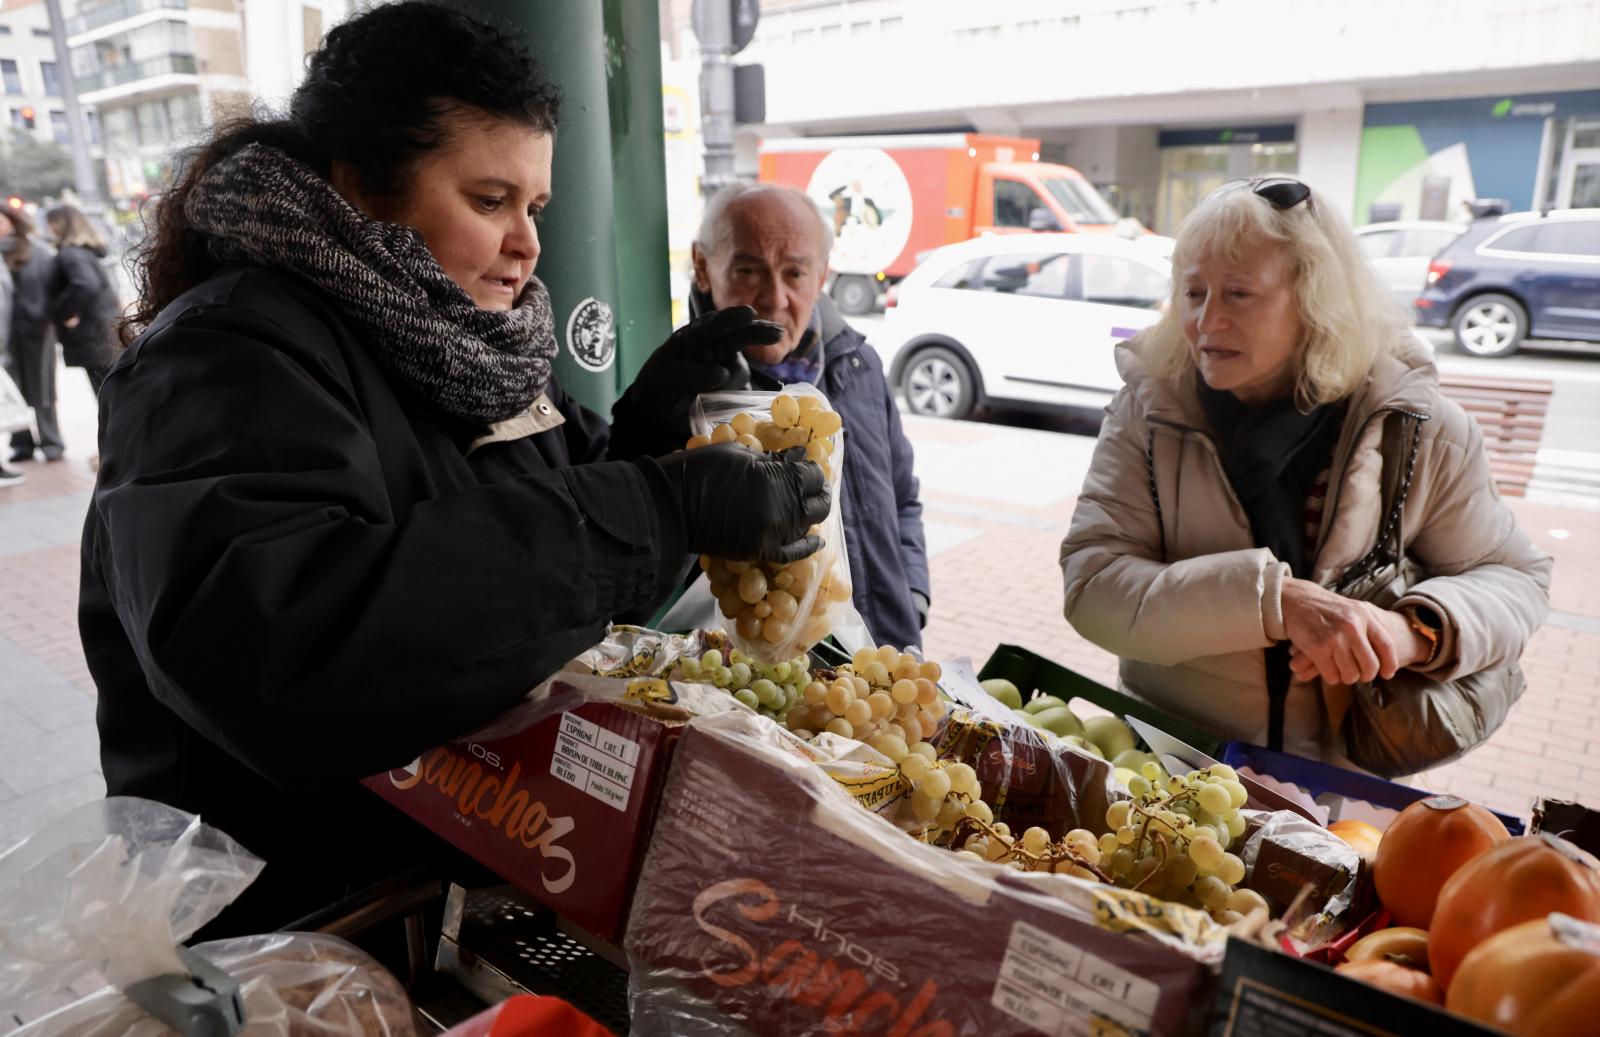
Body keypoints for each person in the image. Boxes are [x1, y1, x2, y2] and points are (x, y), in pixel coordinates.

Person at [80, 1, 827, 935]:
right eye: (490, 201)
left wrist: (645, 434)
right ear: (360, 188)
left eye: (537, 207)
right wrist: (649, 506)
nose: (529, 243)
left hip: (461, 878)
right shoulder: (223, 355)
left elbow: (529, 571)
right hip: (294, 924)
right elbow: (277, 649)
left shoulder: (470, 342)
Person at [1059, 176, 1550, 763]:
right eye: (1193, 293)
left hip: (1340, 787)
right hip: (1172, 761)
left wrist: (1413, 632)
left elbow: (1515, 579)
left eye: (1239, 294)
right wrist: (1276, 603)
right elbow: (1094, 585)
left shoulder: (1416, 426)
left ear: (1316, 302)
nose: (1206, 322)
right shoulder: (1149, 412)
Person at [620, 181, 930, 651]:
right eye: (748, 270)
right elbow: (644, 561)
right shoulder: (675, 396)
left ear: (823, 274)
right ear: (703, 268)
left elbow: (903, 497)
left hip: (887, 661)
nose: (775, 297)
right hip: (767, 678)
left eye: (795, 274)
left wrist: (912, 593)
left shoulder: (858, 367)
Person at [2, 207, 62, 463]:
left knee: (42, 386)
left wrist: (41, 312)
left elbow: (54, 285)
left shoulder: (38, 250)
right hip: (6, 332)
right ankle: (22, 442)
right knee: (12, 386)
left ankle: (52, 441)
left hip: (37, 330)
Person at [45, 203, 120, 395]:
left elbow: (85, 284)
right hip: (102, 331)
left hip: (92, 334)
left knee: (107, 395)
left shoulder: (71, 254)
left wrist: (67, 312)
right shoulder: (82, 252)